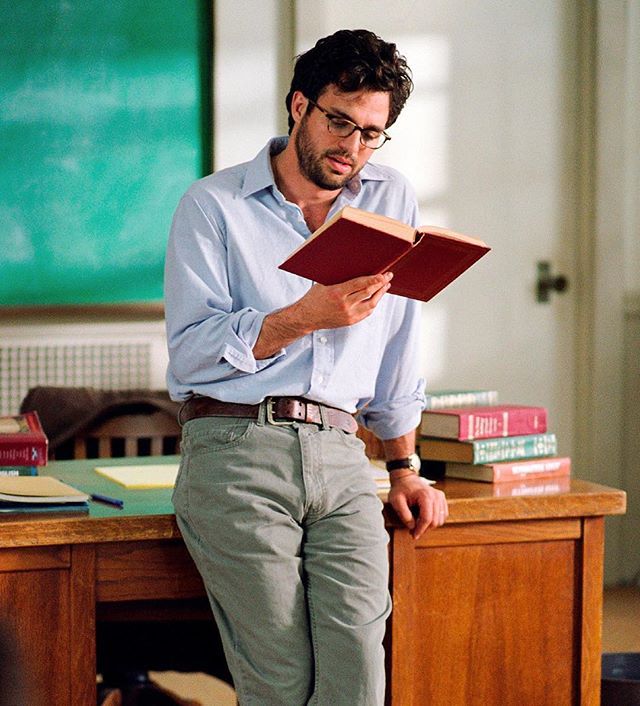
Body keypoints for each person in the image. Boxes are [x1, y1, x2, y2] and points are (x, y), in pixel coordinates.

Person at [164, 28, 448, 706]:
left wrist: (405, 468)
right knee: (280, 683)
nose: (351, 147)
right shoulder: (213, 206)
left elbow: (399, 340)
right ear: (300, 106)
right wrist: (305, 316)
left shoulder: (389, 197)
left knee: (359, 682)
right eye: (339, 121)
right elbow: (192, 352)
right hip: (235, 447)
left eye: (371, 133)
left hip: (343, 454)